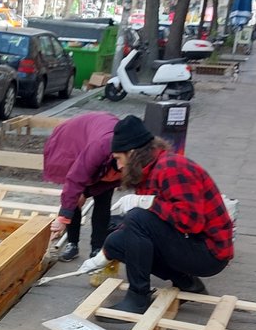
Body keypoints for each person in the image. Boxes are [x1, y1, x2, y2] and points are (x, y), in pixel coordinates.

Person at [94, 115, 234, 318]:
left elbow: (190, 222)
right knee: (116, 240)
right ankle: (188, 283)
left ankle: (137, 299)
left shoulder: (172, 168)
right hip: (190, 244)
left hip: (209, 253)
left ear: (132, 153)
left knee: (135, 218)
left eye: (118, 158)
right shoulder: (149, 170)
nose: (118, 167)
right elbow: (147, 228)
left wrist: (147, 203)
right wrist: (105, 252)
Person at [42, 111, 122, 261]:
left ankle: (97, 247)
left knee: (103, 200)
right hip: (79, 142)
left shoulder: (126, 157)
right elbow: (74, 182)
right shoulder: (96, 150)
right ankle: (72, 244)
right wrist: (63, 218)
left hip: (102, 140)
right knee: (75, 199)